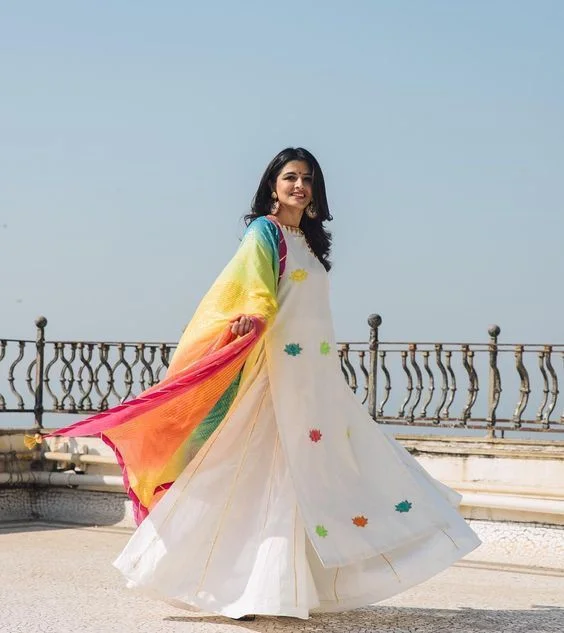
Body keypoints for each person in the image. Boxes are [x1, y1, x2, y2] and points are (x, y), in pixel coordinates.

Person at [49, 148, 480, 619]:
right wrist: (252, 318)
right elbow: (253, 288)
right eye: (290, 177)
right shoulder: (265, 232)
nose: (299, 185)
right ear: (271, 185)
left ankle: (282, 586)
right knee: (259, 472)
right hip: (274, 373)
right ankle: (231, 584)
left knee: (316, 475)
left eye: (307, 178)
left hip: (314, 379)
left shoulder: (310, 241)